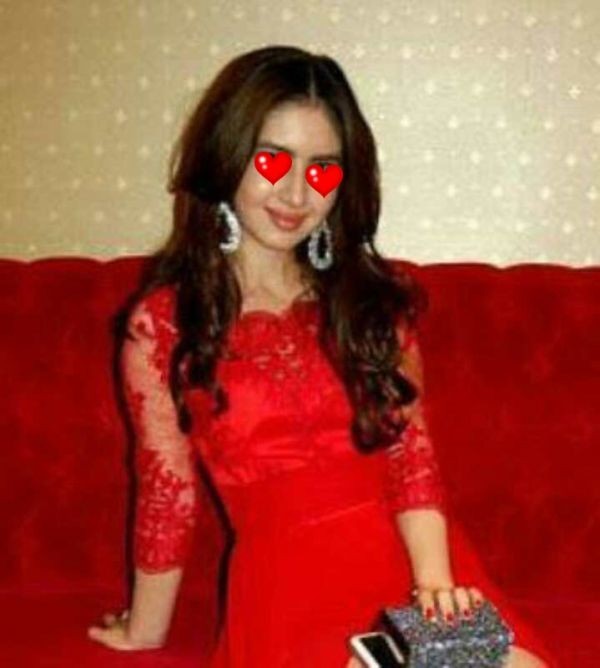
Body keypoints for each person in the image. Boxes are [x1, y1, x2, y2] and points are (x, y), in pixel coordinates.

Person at [87, 46, 557, 667]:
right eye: (272, 160)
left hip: (413, 562)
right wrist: (145, 632)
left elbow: (411, 460)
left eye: (322, 171)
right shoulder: (167, 323)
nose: (296, 192)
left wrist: (434, 599)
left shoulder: (370, 303)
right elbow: (166, 492)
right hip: (287, 584)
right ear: (228, 155)